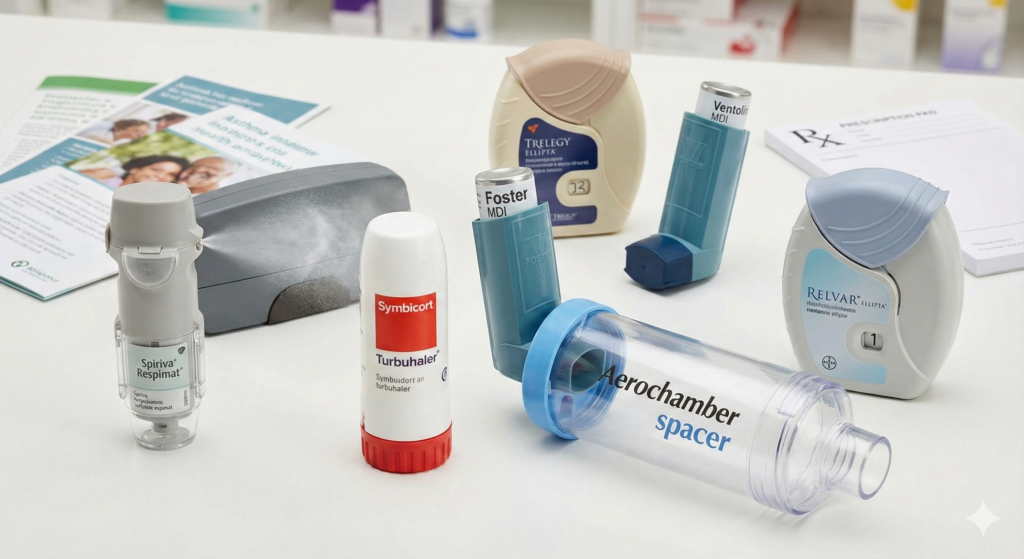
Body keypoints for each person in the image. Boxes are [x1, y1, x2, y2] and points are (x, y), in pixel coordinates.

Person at [78, 155, 190, 188]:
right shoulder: (105, 178)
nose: (160, 176)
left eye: (171, 175)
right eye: (155, 169)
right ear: (135, 169)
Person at [81, 119, 151, 145]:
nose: (141, 135)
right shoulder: (100, 133)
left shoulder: (125, 143)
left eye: (144, 133)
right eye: (137, 131)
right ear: (118, 128)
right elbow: (94, 136)